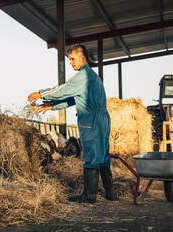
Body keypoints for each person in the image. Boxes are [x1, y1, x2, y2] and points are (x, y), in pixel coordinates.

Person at [27, 44, 118, 203]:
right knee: (102, 155)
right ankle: (110, 193)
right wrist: (53, 105)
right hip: (102, 118)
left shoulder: (83, 76)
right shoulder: (91, 76)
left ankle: (89, 196)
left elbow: (65, 89)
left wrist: (42, 93)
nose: (70, 62)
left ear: (83, 58)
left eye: (72, 59)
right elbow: (73, 98)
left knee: (91, 155)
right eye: (69, 60)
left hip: (91, 118)